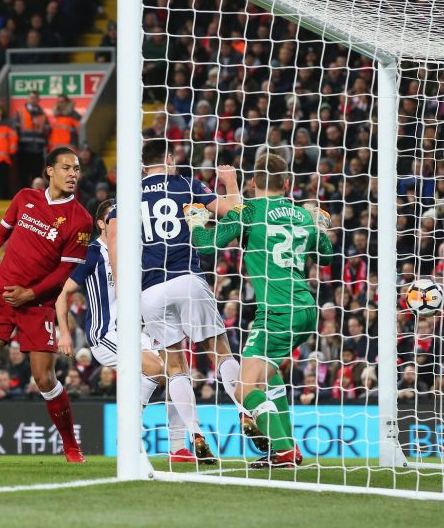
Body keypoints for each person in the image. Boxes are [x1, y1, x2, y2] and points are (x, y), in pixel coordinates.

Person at [108, 138, 257, 462]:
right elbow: (234, 210)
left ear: (144, 165)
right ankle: (245, 412)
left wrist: (123, 292)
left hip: (149, 290)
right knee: (220, 353)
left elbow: (115, 239)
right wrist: (231, 182)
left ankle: (194, 433)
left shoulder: (127, 197)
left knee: (176, 366)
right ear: (171, 158)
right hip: (187, 278)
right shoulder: (186, 184)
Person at [0, 147, 92, 463]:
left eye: (77, 169)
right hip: (0, 293)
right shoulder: (25, 197)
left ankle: (70, 445)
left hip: (38, 303)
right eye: (66, 167)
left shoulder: (80, 219)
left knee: (44, 378)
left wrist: (31, 293)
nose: (72, 174)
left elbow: (65, 272)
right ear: (49, 170)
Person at [188, 153, 333, 468]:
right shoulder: (302, 214)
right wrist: (321, 227)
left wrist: (197, 220)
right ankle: (286, 447)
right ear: (287, 183)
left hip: (277, 312)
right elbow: (327, 256)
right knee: (271, 375)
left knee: (244, 389)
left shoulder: (249, 211)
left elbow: (206, 245)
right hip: (307, 308)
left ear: (253, 183)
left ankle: (283, 451)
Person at [54, 199, 194, 463]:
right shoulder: (93, 252)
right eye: (112, 219)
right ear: (100, 224)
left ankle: (178, 447)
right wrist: (64, 333)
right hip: (105, 335)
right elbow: (63, 294)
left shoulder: (133, 252)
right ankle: (128, 436)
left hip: (135, 332)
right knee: (156, 368)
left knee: (178, 372)